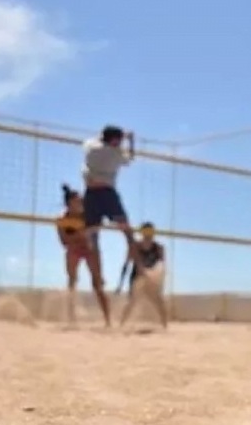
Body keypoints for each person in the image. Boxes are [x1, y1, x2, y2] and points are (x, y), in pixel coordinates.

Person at [81, 125, 144, 280]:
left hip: (91, 194)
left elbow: (93, 141)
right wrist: (130, 141)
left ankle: (97, 274)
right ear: (115, 140)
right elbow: (130, 158)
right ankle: (140, 268)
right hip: (107, 194)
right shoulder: (116, 154)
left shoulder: (90, 147)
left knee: (93, 236)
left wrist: (113, 136)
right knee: (127, 232)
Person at [56, 184, 111, 326]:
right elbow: (64, 242)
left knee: (97, 284)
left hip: (89, 249)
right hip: (73, 249)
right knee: (72, 281)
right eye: (77, 201)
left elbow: (98, 226)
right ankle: (71, 318)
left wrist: (87, 235)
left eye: (81, 201)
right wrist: (79, 236)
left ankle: (108, 320)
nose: (81, 203)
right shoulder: (62, 220)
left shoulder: (87, 215)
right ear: (69, 204)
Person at [117, 222, 168, 328]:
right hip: (137, 277)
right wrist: (120, 284)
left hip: (152, 278)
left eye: (150, 232)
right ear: (141, 233)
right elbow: (126, 265)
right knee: (132, 302)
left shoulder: (159, 248)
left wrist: (157, 278)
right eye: (146, 232)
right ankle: (121, 325)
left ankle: (165, 326)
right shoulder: (135, 247)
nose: (148, 235)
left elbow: (162, 266)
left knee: (159, 301)